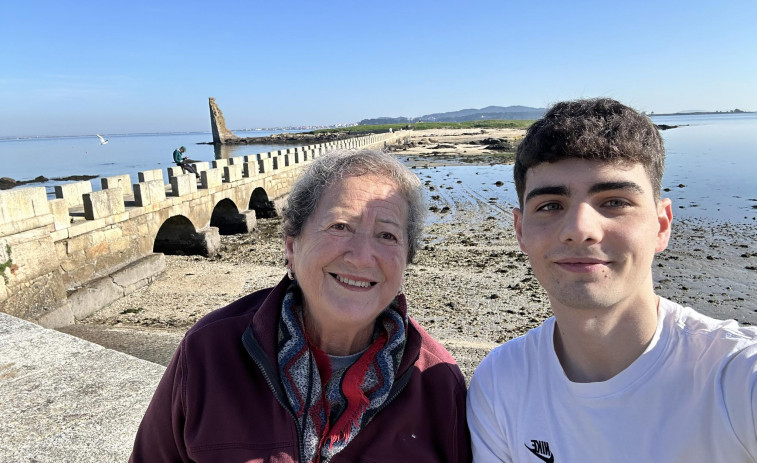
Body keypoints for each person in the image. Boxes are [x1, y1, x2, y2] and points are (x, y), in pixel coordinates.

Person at [130, 149, 471, 462]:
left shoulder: (435, 382)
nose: (362, 256)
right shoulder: (209, 353)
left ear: (405, 261)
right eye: (340, 226)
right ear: (292, 247)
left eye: (387, 235)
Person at [467, 98, 757, 462]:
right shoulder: (500, 383)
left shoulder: (735, 377)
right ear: (520, 230)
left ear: (662, 225)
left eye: (615, 202)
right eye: (550, 205)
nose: (578, 230)